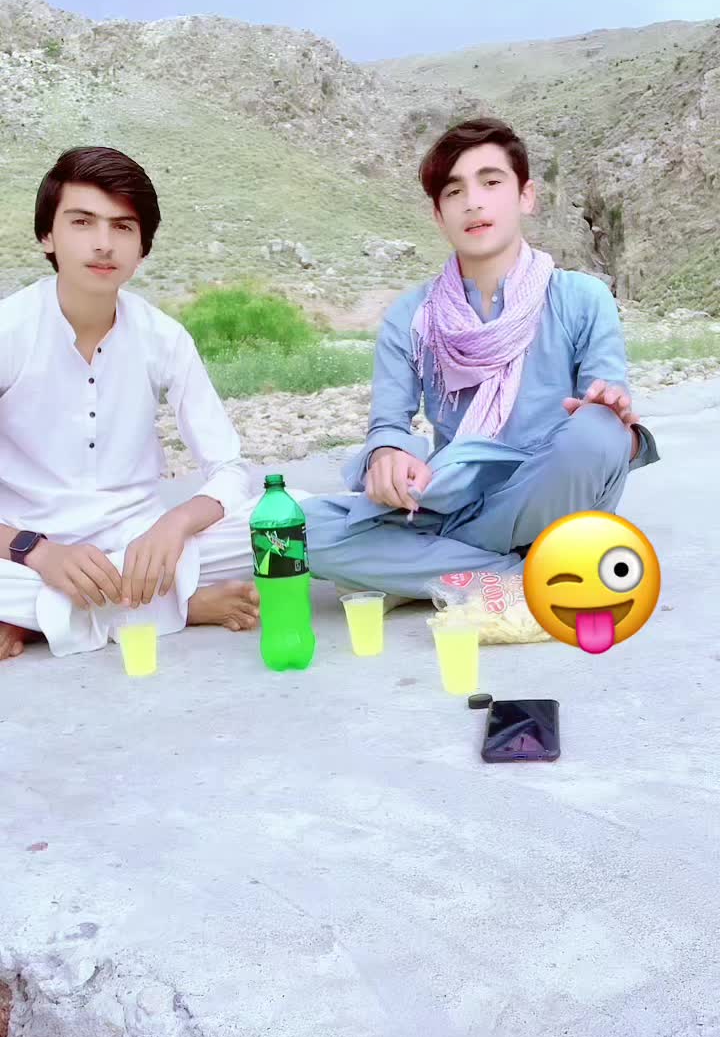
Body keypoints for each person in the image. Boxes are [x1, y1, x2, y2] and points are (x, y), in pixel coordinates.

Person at [304, 117, 659, 598]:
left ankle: (442, 570)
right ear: (438, 215)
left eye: (491, 182)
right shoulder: (412, 317)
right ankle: (530, 575)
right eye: (454, 192)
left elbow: (610, 441)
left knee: (596, 431)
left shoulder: (582, 297)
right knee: (296, 529)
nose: (473, 201)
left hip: (552, 493)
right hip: (458, 500)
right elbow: (387, 427)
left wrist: (615, 423)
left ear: (525, 196)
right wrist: (388, 456)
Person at [0, 145, 261, 661]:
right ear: (47, 235)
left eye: (122, 227)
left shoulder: (163, 336)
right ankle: (179, 605)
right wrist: (37, 551)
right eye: (82, 222)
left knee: (296, 520)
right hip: (25, 554)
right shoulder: (8, 330)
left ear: (142, 248)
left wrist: (173, 526)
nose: (103, 243)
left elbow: (230, 469)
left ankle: (42, 619)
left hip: (144, 550)